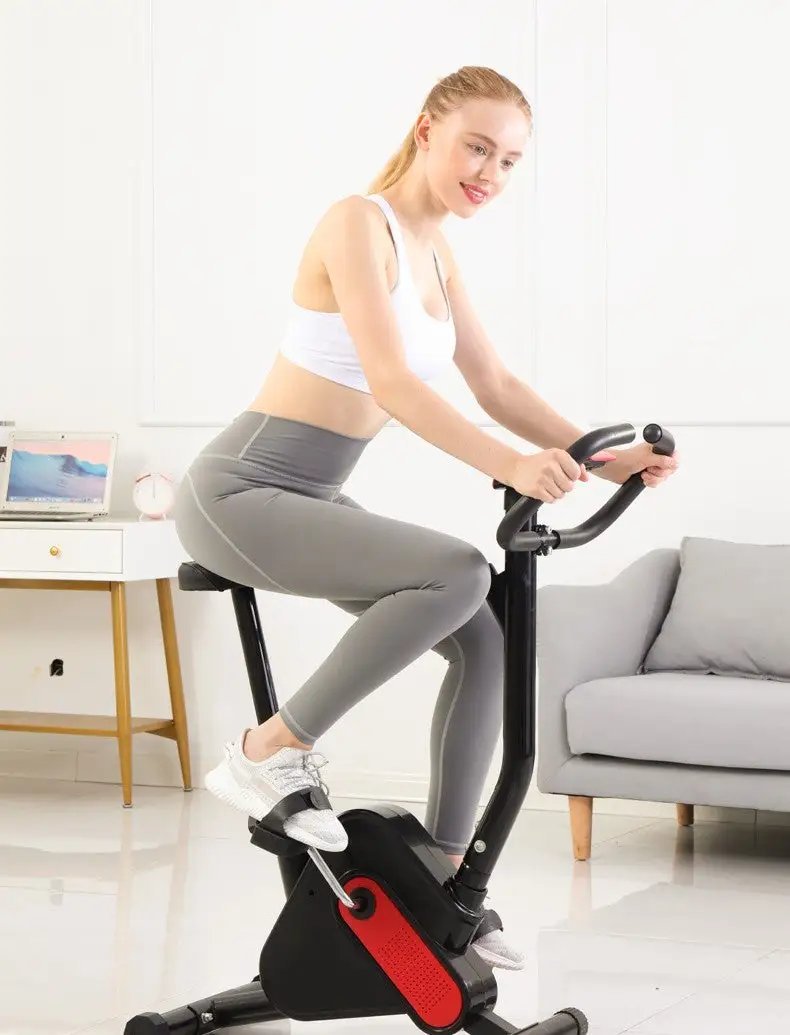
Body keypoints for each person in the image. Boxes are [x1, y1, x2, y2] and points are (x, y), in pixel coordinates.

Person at [173, 65, 679, 970]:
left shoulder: (438, 252)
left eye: (510, 160)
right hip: (241, 490)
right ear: (426, 131)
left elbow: (496, 384)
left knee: (484, 636)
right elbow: (395, 383)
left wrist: (611, 459)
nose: (491, 172)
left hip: (311, 496)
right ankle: (267, 750)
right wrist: (508, 464)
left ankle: (448, 880)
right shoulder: (356, 223)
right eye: (477, 148)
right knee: (456, 569)